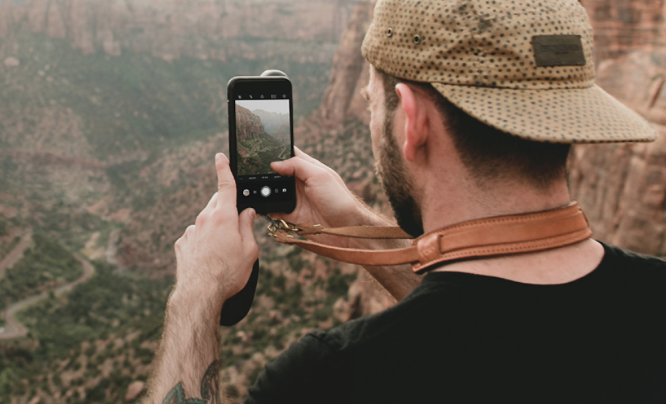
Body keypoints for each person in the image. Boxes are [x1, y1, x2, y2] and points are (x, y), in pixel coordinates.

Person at [144, 0, 666, 403]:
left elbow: (473, 330)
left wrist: (197, 295)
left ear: (411, 122)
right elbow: (500, 328)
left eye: (373, 104)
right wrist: (348, 223)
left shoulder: (332, 379)